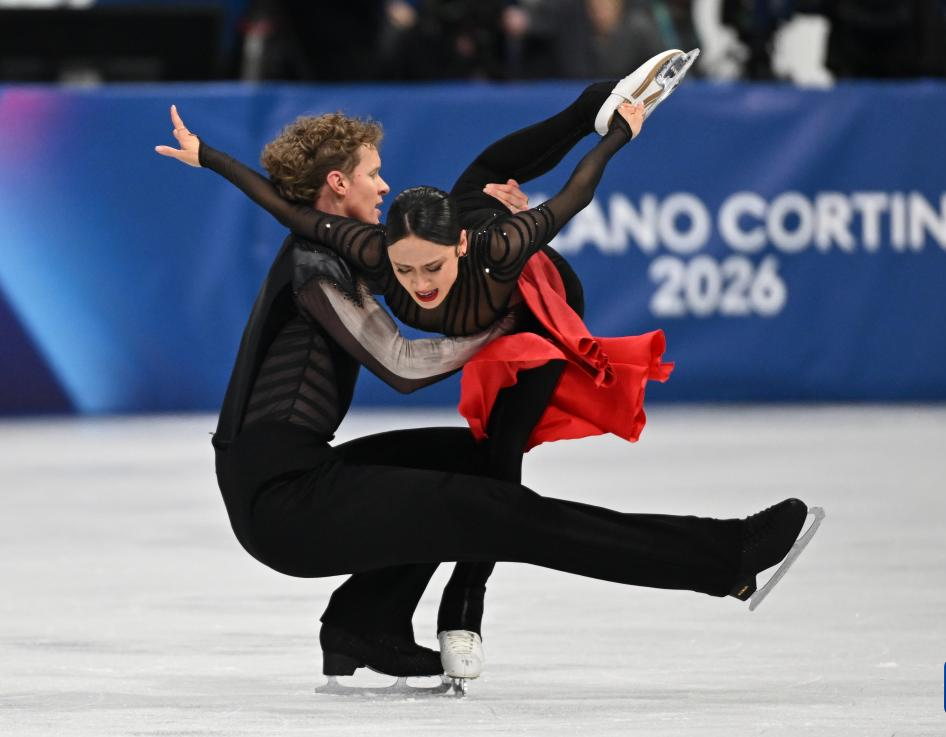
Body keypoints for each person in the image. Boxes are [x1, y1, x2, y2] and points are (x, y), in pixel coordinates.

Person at [157, 50, 821, 694]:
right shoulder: (315, 264)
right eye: (373, 174)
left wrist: (501, 211)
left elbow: (457, 215)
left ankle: (365, 622)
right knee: (508, 516)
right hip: (282, 502)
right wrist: (507, 327)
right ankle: (725, 558)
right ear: (338, 183)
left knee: (475, 462)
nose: (384, 186)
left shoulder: (339, 247)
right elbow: (401, 364)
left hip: (298, 474)